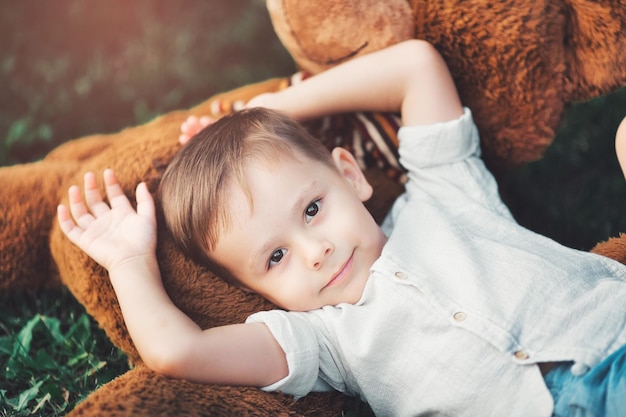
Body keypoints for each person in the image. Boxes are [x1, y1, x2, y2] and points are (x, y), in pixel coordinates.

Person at [57, 40, 626, 417]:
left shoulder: (444, 194)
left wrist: (271, 106)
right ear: (259, 293)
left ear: (349, 175)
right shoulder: (326, 341)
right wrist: (130, 262)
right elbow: (180, 351)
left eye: (311, 210)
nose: (315, 250)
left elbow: (415, 66)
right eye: (274, 258)